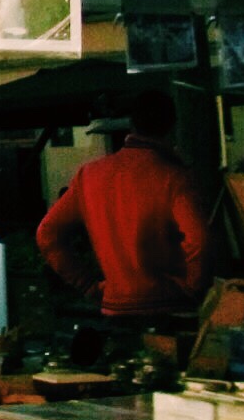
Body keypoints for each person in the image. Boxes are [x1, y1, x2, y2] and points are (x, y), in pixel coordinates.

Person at [37, 94, 210, 321]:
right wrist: (192, 288)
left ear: (132, 124)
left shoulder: (89, 175)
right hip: (168, 308)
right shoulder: (174, 177)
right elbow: (199, 241)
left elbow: (47, 235)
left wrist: (87, 284)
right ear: (172, 125)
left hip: (113, 308)